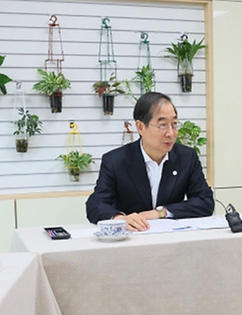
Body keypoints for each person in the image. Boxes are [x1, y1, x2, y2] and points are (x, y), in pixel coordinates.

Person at [86, 92, 213, 231]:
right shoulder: (116, 161)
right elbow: (95, 204)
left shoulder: (187, 157)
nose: (171, 133)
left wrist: (161, 212)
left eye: (174, 124)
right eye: (163, 125)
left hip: (173, 239)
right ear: (140, 127)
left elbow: (205, 202)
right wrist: (119, 219)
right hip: (131, 240)